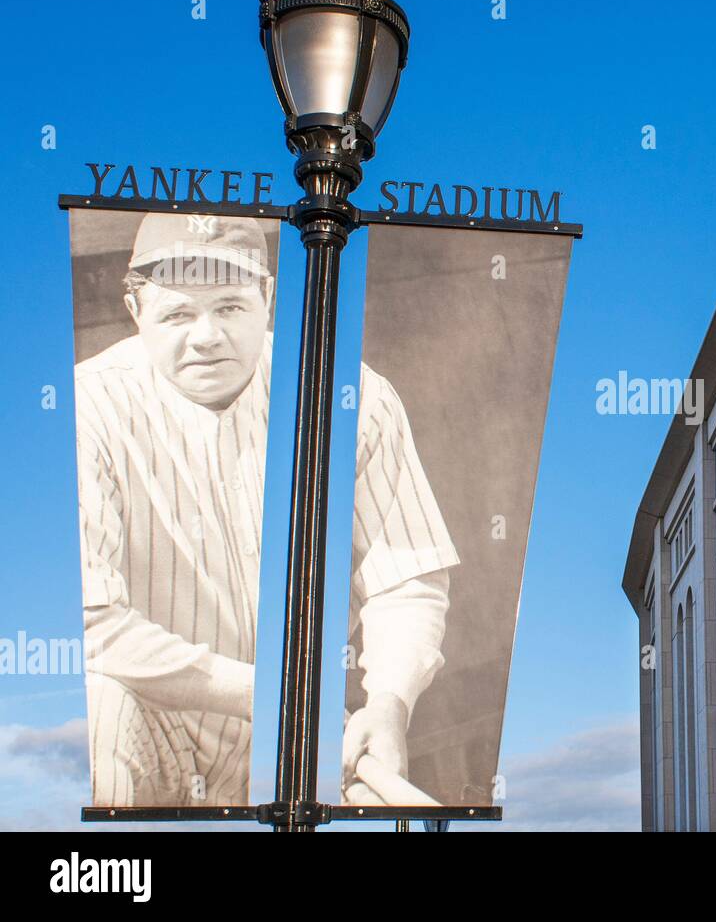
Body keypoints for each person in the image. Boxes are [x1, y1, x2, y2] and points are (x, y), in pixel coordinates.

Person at [75, 212, 456, 806]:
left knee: (403, 813)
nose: (206, 336)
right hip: (154, 726)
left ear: (268, 297)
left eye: (229, 307)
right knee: (96, 705)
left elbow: (405, 579)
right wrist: (272, 692)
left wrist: (389, 703)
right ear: (135, 310)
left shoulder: (350, 395)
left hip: (307, 740)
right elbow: (87, 625)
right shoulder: (87, 406)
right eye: (178, 313)